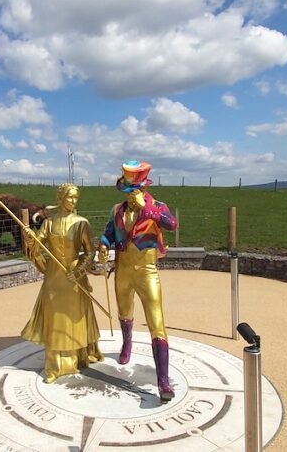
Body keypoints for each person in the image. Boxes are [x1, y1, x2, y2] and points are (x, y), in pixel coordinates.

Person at [98, 160, 178, 402]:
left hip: (147, 270)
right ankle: (127, 343)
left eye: (135, 191)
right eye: (128, 191)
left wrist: (147, 210)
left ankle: (163, 381)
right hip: (122, 269)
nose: (132, 195)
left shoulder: (158, 207)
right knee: (124, 311)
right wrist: (103, 243)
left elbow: (171, 225)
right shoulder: (117, 210)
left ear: (144, 189)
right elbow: (109, 232)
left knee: (157, 321)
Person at [21, 183, 104, 383]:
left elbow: (89, 251)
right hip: (54, 277)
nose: (74, 201)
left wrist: (78, 270)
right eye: (70, 197)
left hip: (74, 277)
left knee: (74, 316)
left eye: (76, 197)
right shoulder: (49, 223)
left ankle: (78, 358)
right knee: (55, 317)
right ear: (61, 198)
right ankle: (55, 366)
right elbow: (38, 242)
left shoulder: (82, 222)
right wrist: (30, 236)